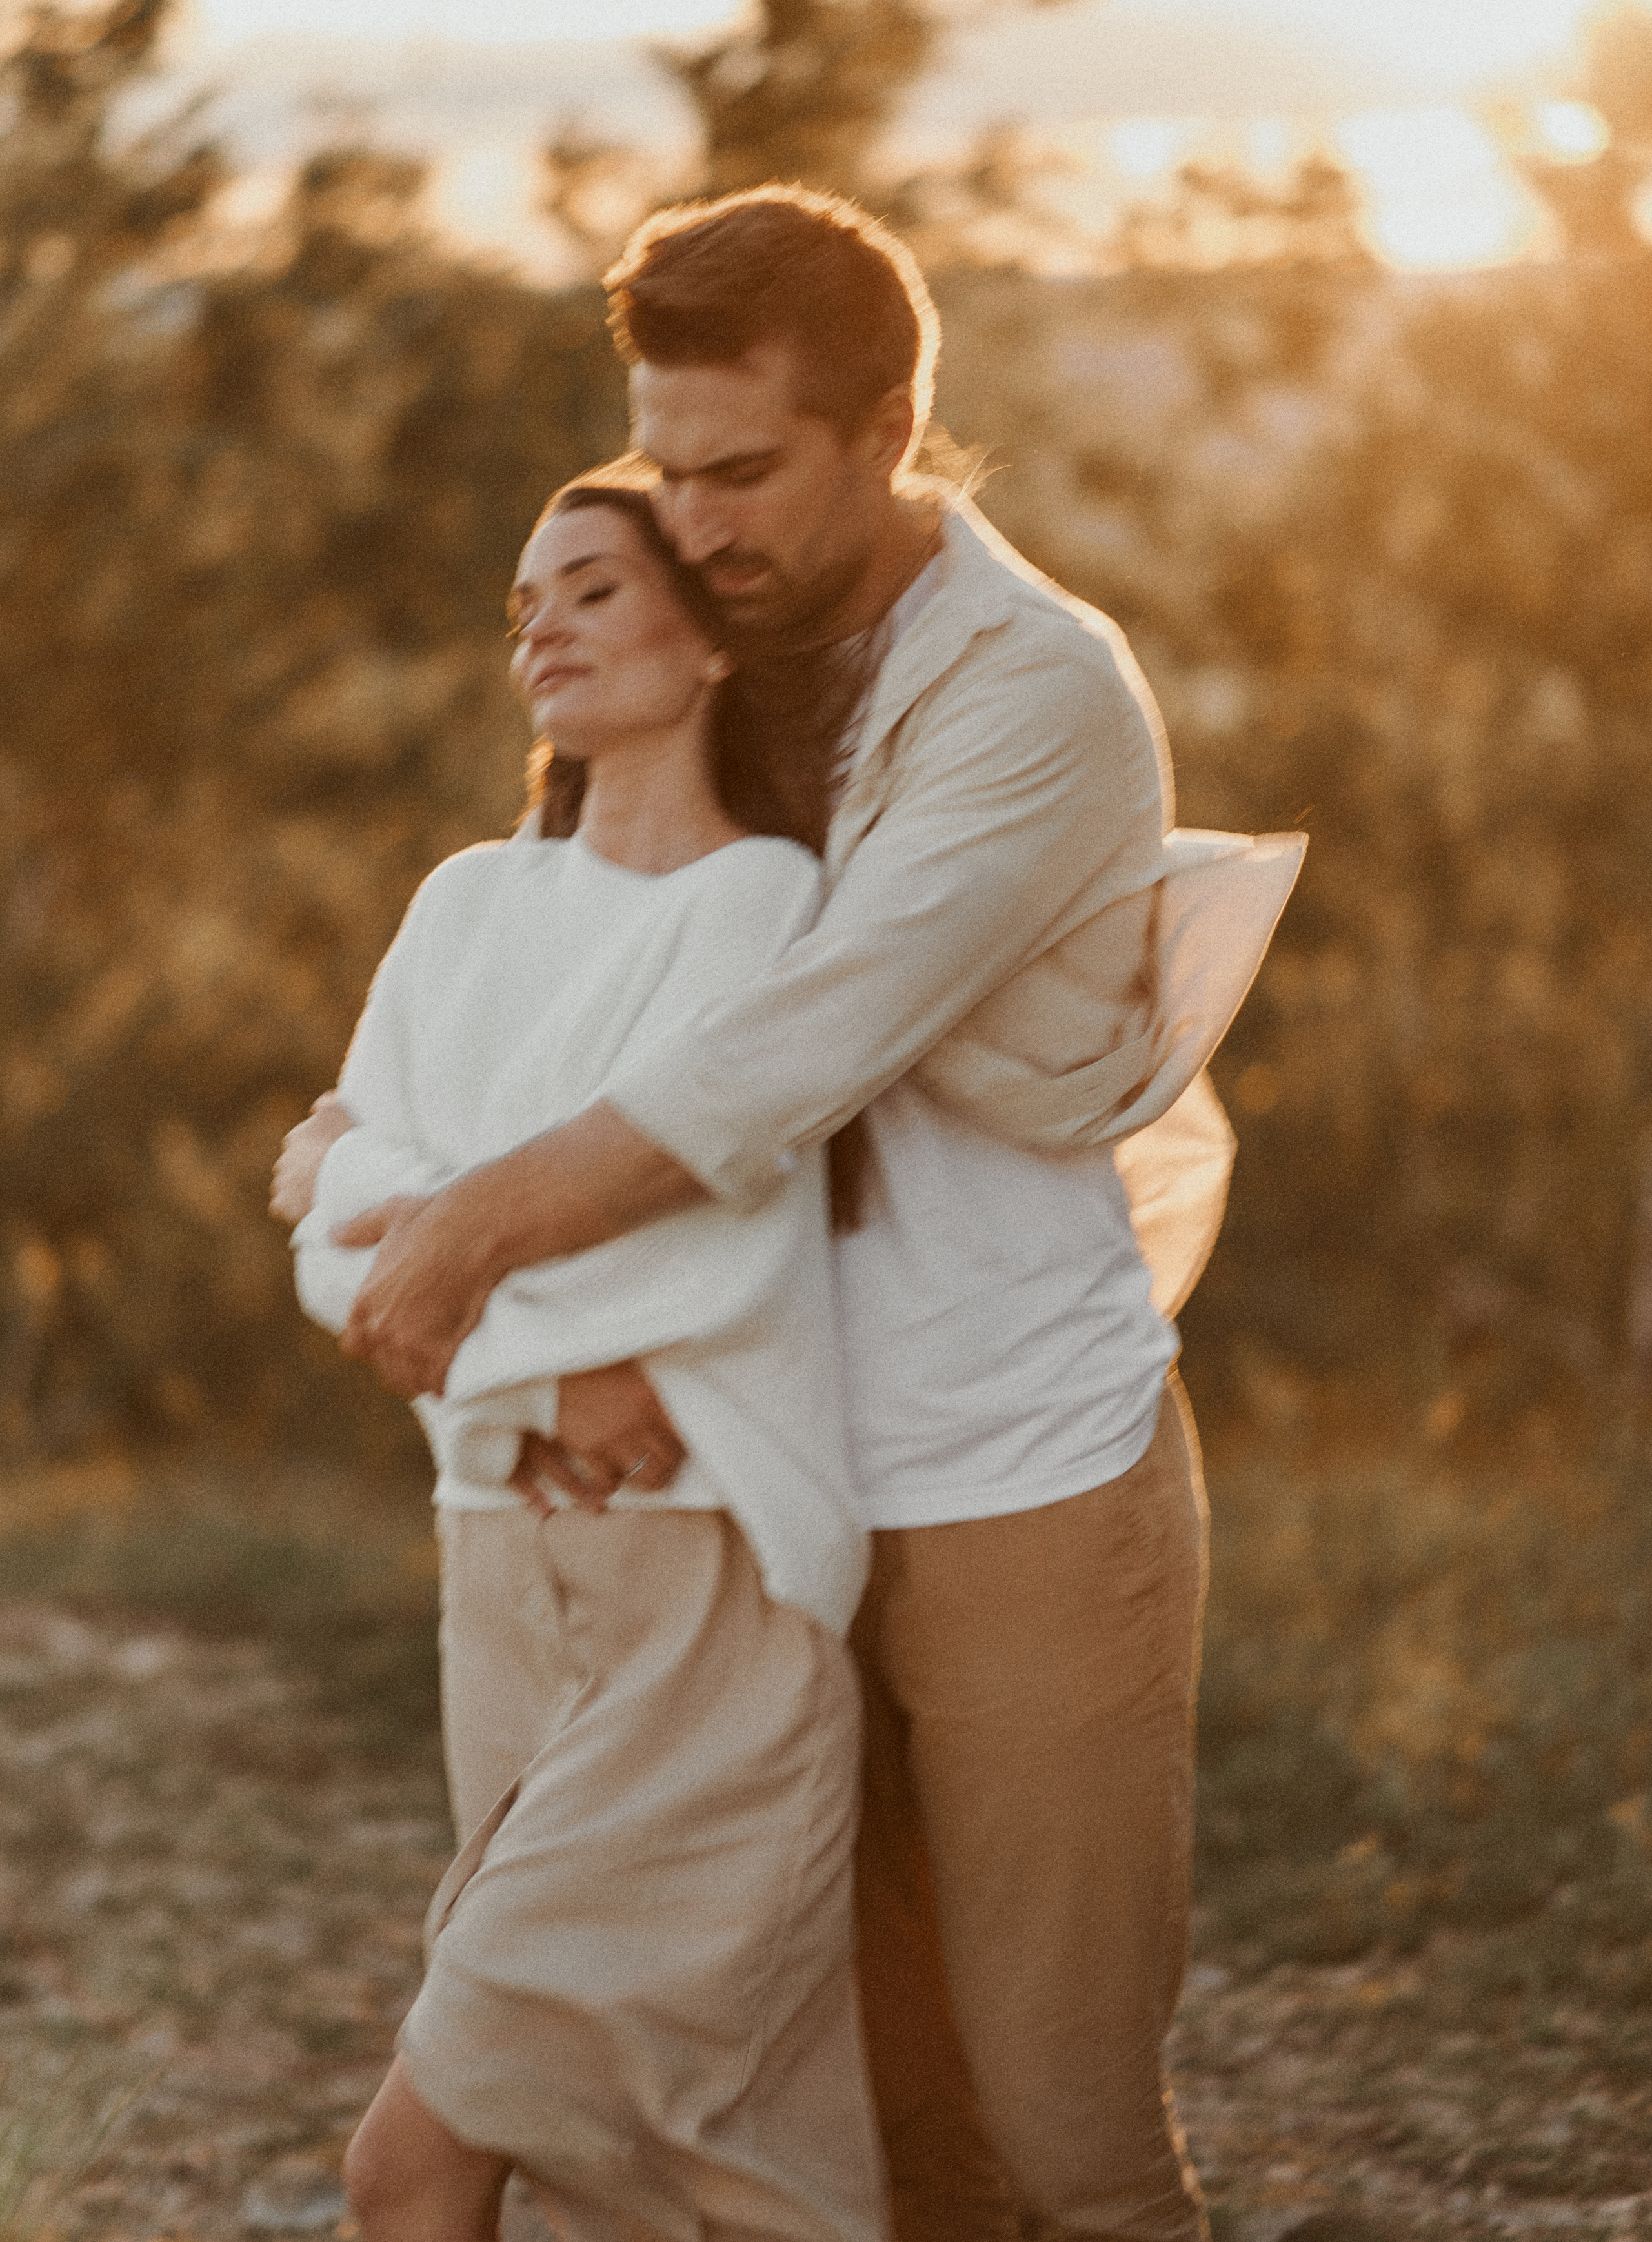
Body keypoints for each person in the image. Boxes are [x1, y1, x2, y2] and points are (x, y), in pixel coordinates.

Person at [291, 187, 1303, 2242]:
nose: (697, 519)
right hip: (762, 1506)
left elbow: (792, 1048)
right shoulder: (710, 666)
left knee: (1069, 2137)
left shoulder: (1031, 689)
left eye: (743, 471)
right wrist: (441, 1270)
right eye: (664, 467)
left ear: (891, 428)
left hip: (1014, 1473)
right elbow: (507, 1040)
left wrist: (472, 1240)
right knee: (882, 2135)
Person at [277, 481, 889, 2242]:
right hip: (497, 1571)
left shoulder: (762, 901)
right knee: (659, 2160)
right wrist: (527, 1352)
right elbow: (339, 1265)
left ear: (709, 640)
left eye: (596, 588)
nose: (542, 622)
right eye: (526, 599)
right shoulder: (467, 902)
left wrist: (370, 1184)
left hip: (699, 1589)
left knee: (418, 2155)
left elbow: (690, 1239)